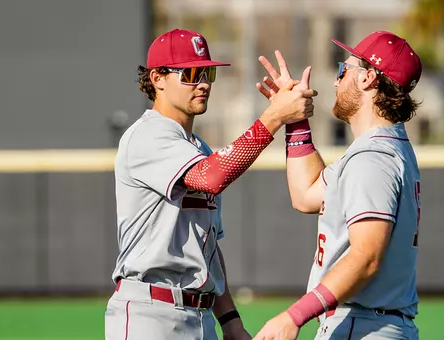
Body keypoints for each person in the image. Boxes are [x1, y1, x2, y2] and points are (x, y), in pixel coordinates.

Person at [104, 28, 317, 340]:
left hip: (200, 316)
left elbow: (208, 250)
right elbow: (211, 177)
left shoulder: (199, 149)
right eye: (190, 73)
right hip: (149, 313)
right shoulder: (147, 134)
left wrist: (229, 319)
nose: (203, 82)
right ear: (157, 79)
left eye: (207, 73)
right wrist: (274, 117)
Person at [253, 30, 423, 340]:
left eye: (344, 70)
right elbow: (306, 194)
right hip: (371, 322)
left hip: (364, 324)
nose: (335, 80)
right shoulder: (382, 148)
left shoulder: (374, 159)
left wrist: (295, 316)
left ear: (367, 78)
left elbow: (366, 257)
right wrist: (295, 120)